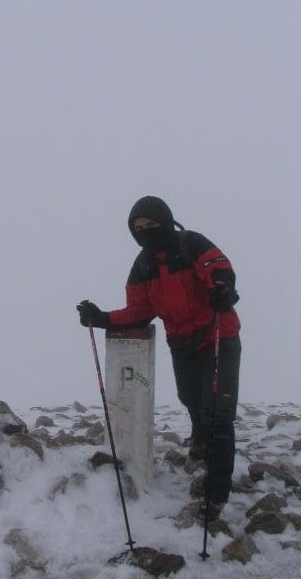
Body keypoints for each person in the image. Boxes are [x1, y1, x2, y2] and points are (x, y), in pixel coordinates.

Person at [77, 195, 241, 520]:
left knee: (218, 413)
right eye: (138, 228)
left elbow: (217, 267)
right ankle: (201, 440)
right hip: (181, 343)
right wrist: (103, 318)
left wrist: (222, 288)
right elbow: (140, 310)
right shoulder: (143, 266)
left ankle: (216, 495)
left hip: (218, 335)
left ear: (165, 221)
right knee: (191, 398)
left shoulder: (191, 244)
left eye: (151, 224)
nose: (145, 231)